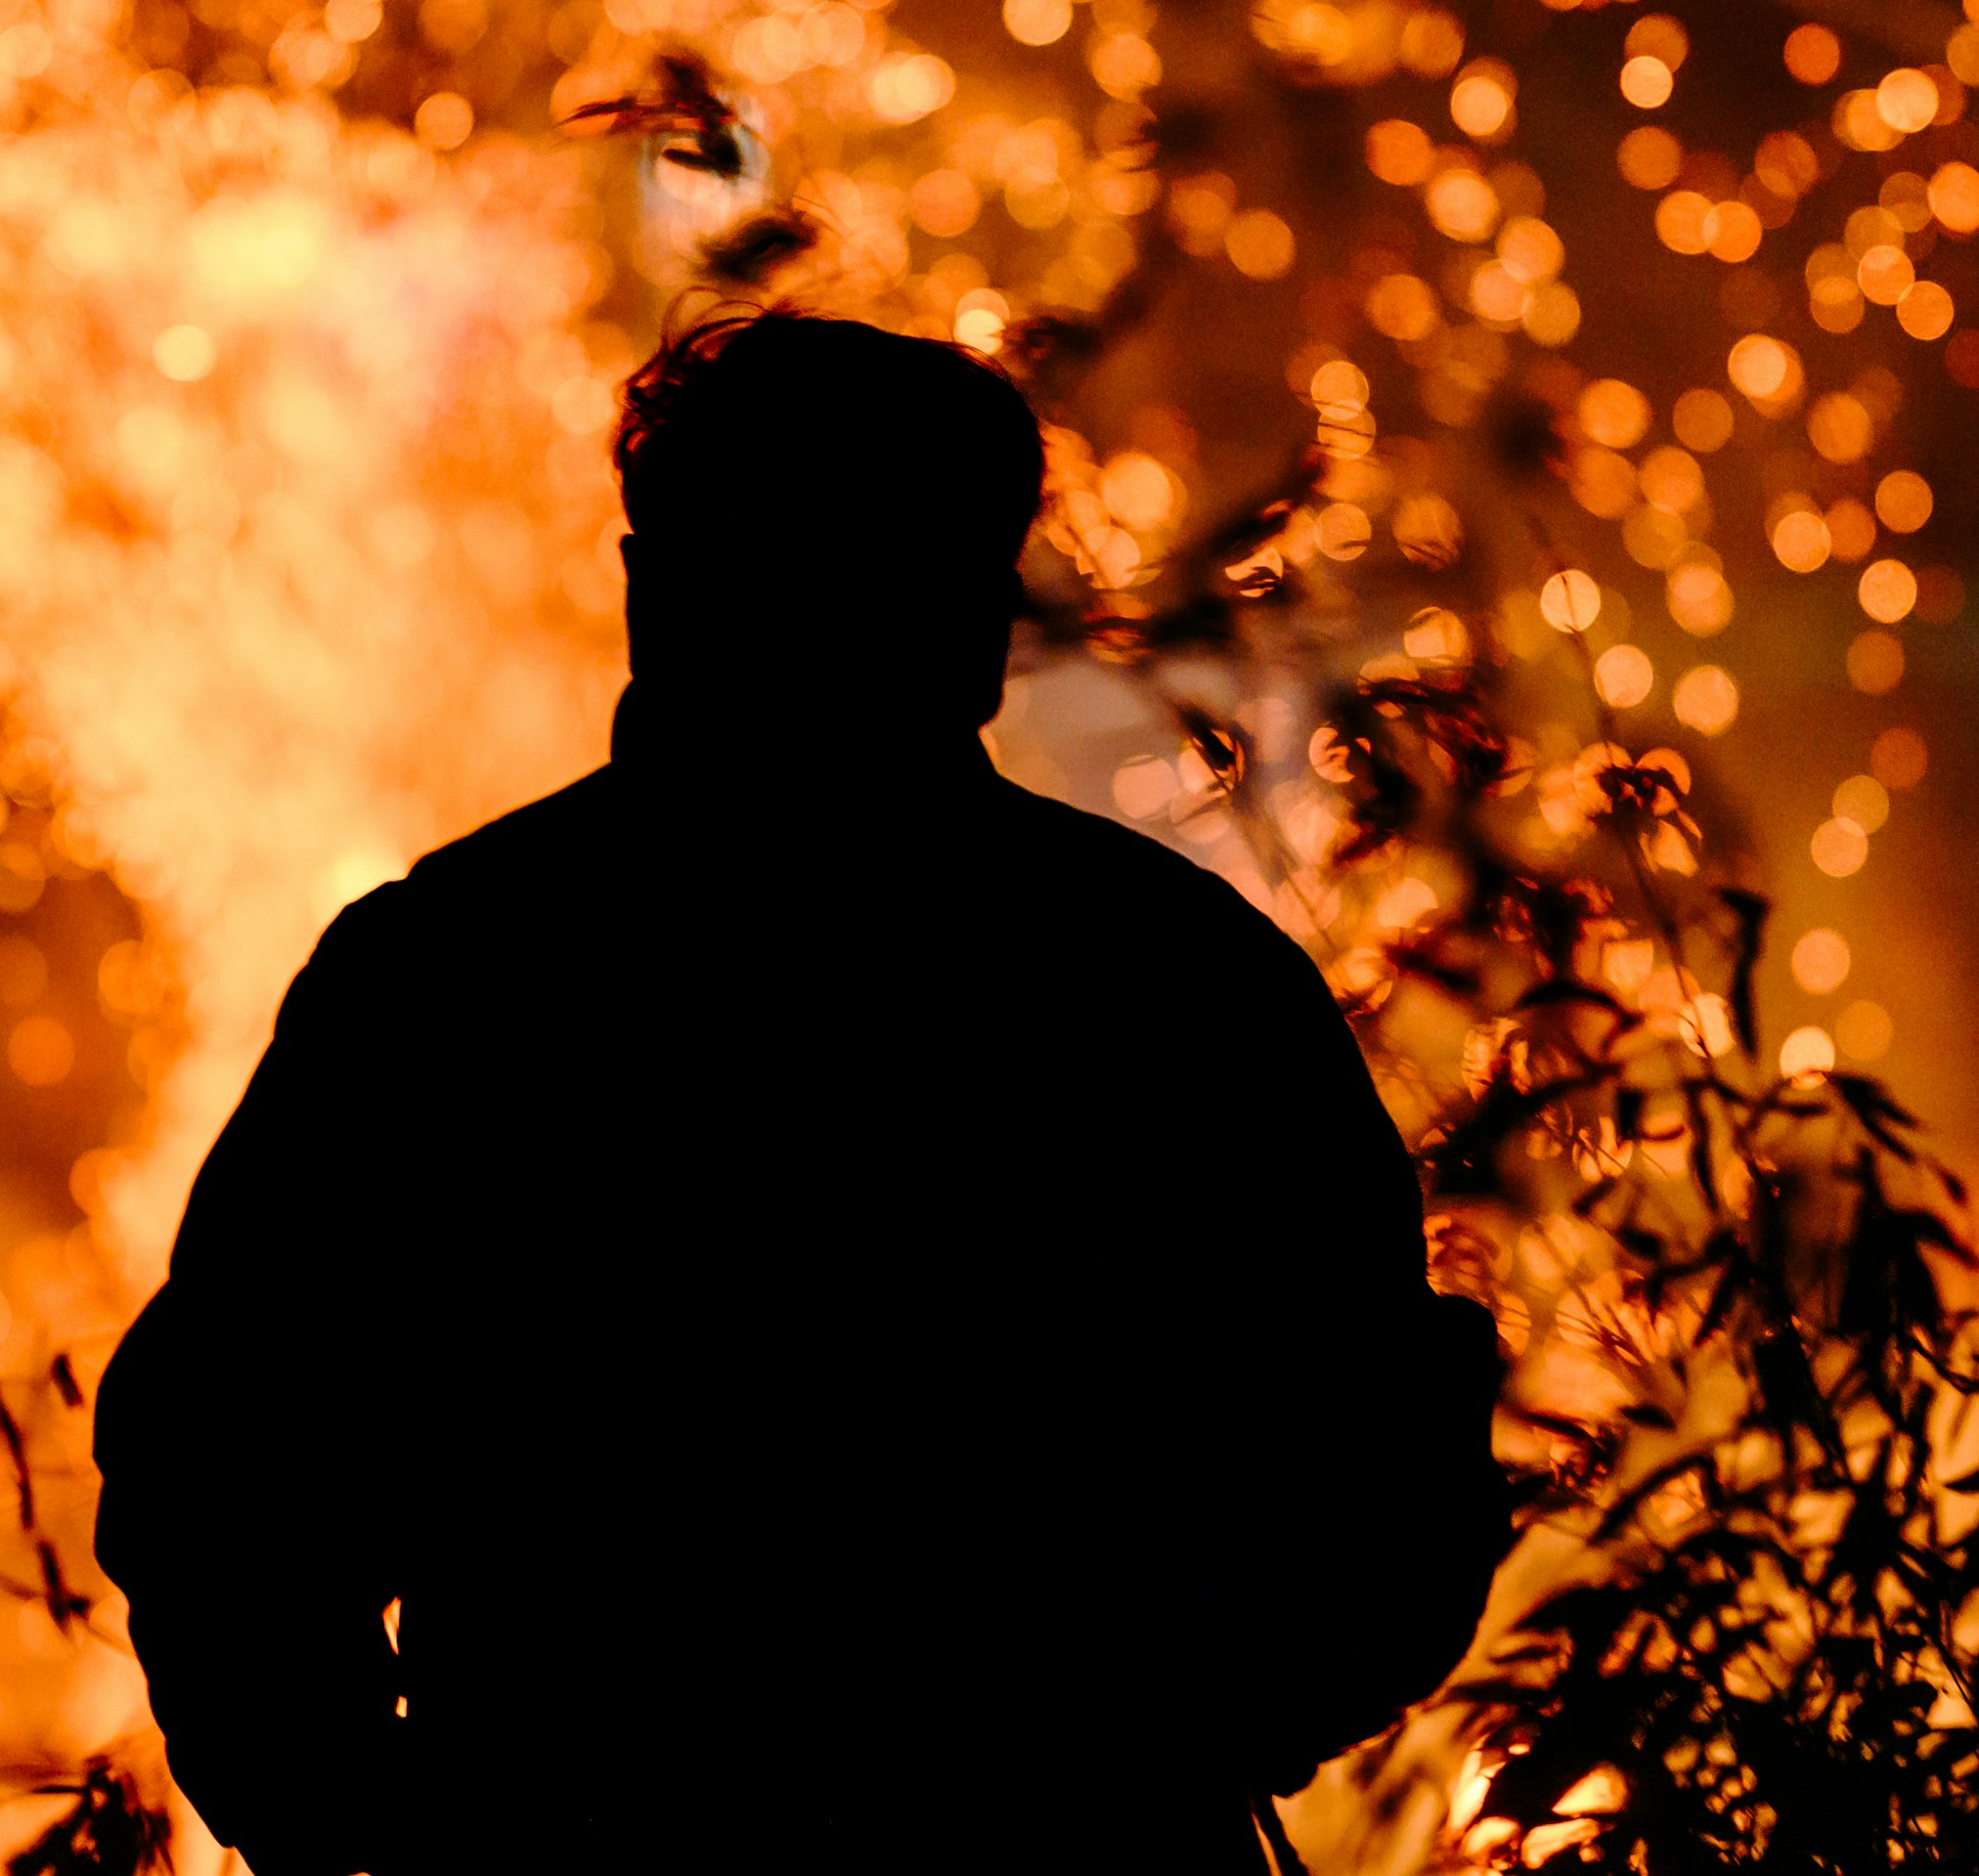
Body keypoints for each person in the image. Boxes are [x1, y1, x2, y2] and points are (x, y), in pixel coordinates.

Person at [93, 311, 1509, 1874]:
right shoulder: (1173, 991)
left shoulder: (450, 979)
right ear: (982, 619)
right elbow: (1388, 1496)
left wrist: (360, 1809)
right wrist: (1126, 1760)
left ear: (657, 590)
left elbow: (222, 1469)